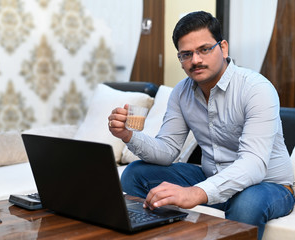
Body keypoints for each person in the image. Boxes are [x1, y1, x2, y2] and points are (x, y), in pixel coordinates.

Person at [107, 11, 294, 239]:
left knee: (247, 204)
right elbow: (167, 150)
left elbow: (253, 164)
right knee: (135, 174)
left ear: (223, 48)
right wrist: (128, 136)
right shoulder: (181, 93)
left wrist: (196, 193)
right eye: (186, 54)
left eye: (204, 49)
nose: (195, 60)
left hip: (267, 185)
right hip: (211, 176)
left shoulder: (256, 89)